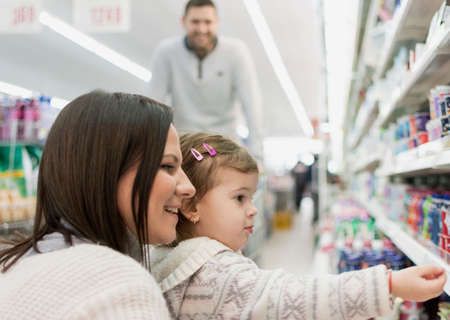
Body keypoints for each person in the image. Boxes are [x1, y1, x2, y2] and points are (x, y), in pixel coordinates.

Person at [150, 132, 447, 320]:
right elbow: (292, 297)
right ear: (190, 207)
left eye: (252, 197)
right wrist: (390, 284)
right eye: (239, 198)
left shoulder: (178, 262)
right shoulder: (211, 274)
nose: (253, 210)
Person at [0, 90, 196, 319]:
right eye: (167, 167)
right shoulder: (116, 285)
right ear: (105, 173)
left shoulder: (17, 266)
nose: (189, 187)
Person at [149, 0, 263, 161]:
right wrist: (152, 152)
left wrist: (257, 156)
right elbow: (154, 106)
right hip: (185, 147)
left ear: (217, 23)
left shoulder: (236, 52)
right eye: (195, 22)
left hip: (224, 147)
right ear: (184, 22)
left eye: (208, 22)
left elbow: (252, 105)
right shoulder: (166, 52)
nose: (202, 29)